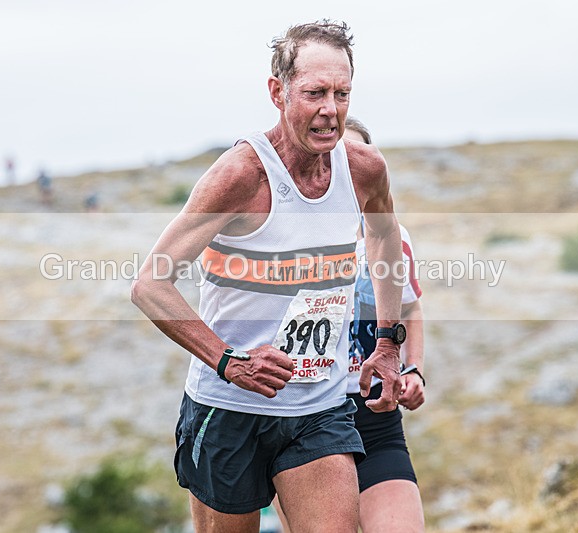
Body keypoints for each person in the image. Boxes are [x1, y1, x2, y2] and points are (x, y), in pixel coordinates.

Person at [131, 20, 405, 533]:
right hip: (229, 405)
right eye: (314, 93)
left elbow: (386, 239)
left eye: (342, 93)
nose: (330, 109)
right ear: (278, 92)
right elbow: (150, 284)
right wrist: (229, 360)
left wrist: (388, 343)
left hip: (318, 406)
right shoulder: (241, 176)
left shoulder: (364, 168)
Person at [272, 117, 426, 533]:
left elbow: (409, 309)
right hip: (304, 419)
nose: (344, 167)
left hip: (374, 417)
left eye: (356, 157)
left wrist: (413, 369)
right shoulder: (283, 235)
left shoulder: (395, 236)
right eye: (334, 157)